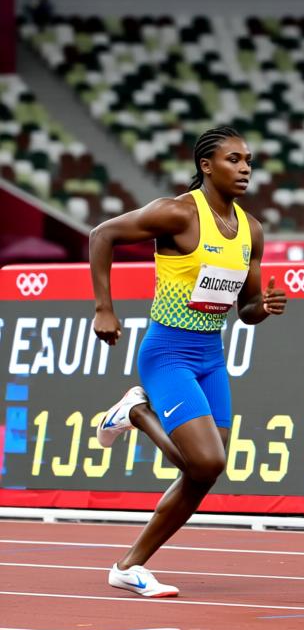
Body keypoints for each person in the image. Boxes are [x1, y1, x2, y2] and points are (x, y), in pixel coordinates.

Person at [90, 126, 286, 597]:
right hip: (168, 352)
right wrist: (104, 307)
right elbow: (102, 235)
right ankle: (135, 411)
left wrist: (265, 307)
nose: (244, 169)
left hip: (209, 357)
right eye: (233, 160)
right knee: (205, 460)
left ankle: (129, 566)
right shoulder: (176, 213)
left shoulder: (251, 231)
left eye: (248, 161)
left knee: (205, 473)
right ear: (207, 166)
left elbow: (246, 310)